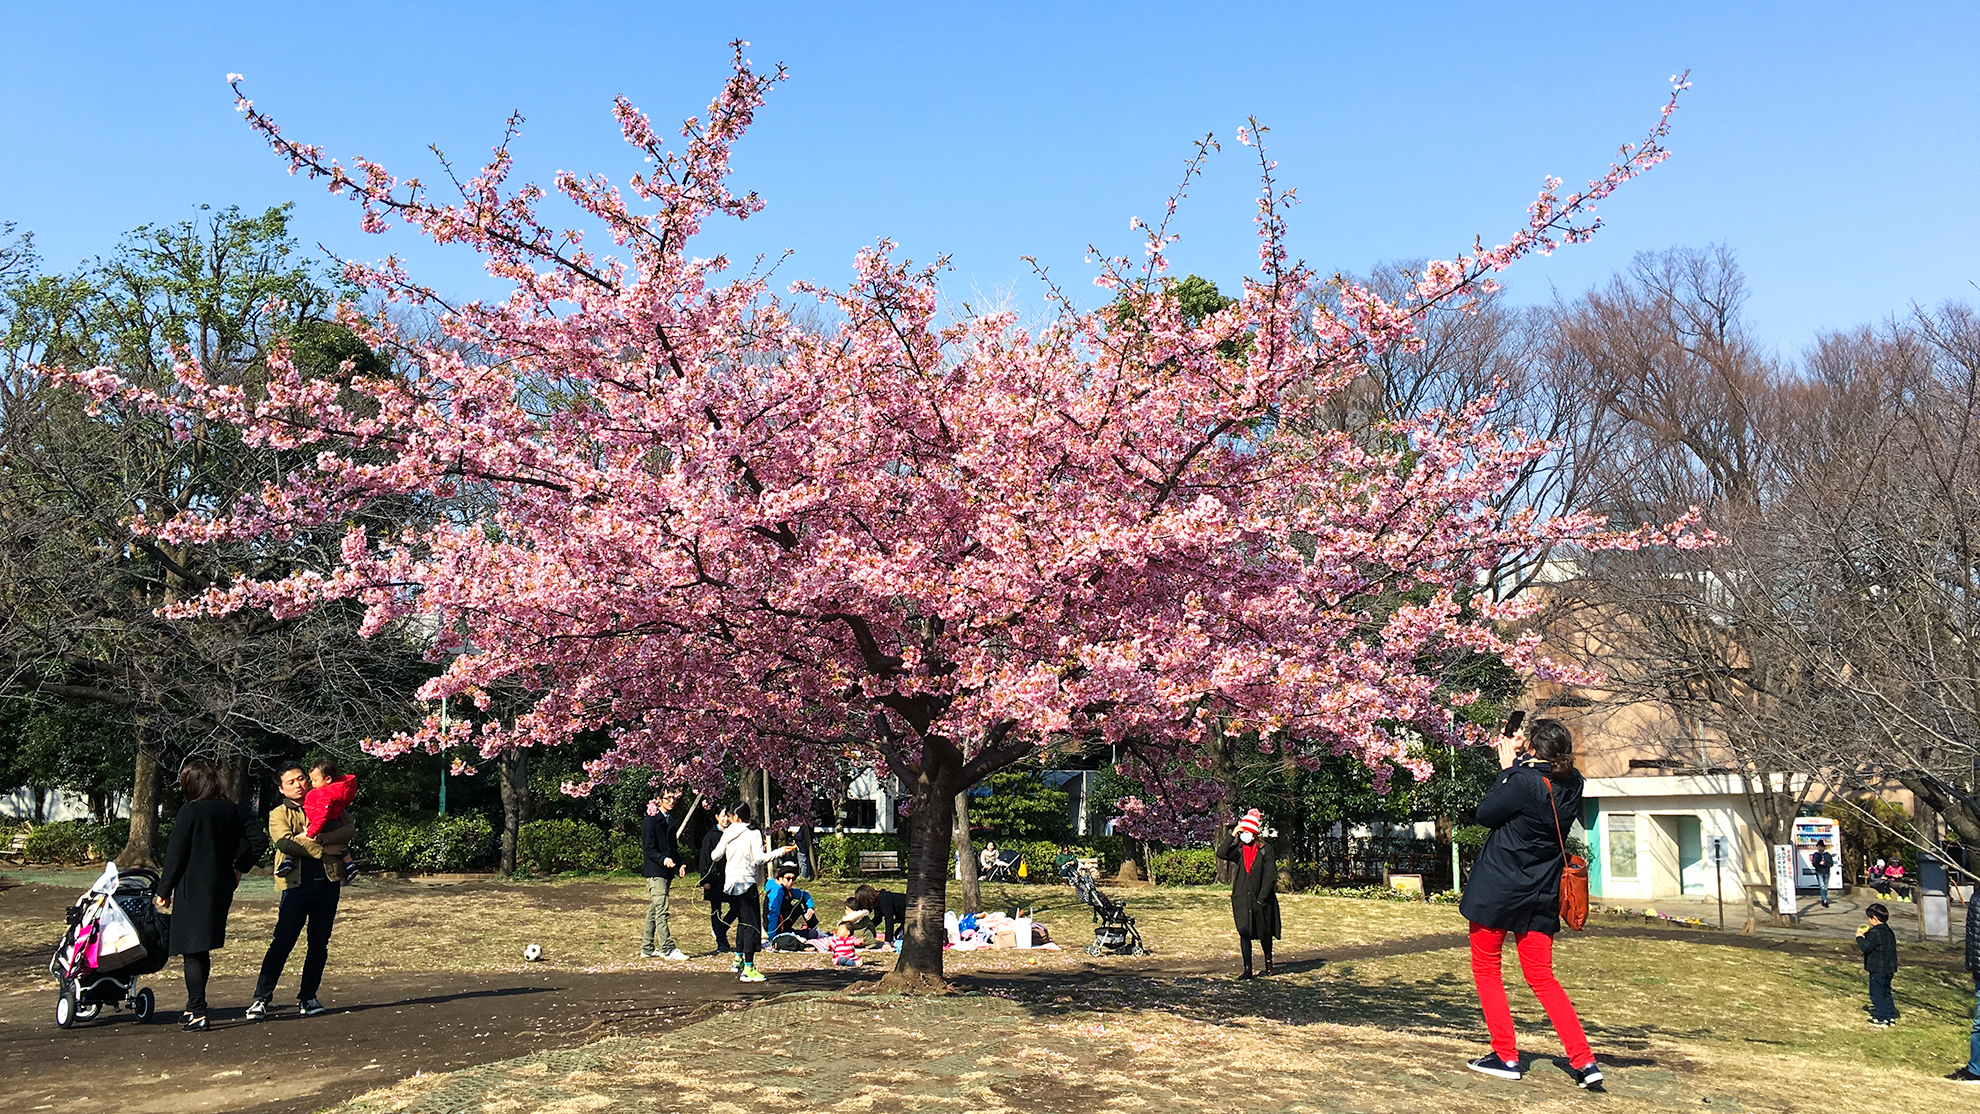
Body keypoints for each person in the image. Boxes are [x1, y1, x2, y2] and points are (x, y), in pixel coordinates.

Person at [1458, 718, 1603, 1091]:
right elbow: (1543, 781)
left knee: (1487, 968)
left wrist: (1507, 769)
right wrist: (1523, 759)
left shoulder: (1521, 781)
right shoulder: (1574, 783)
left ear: (1535, 751)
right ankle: (1584, 1061)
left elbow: (1486, 813)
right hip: (1540, 891)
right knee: (1542, 977)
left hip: (1498, 888)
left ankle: (1505, 1054)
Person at [156, 758, 266, 1032]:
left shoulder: (190, 812)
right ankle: (193, 1006)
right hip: (221, 885)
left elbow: (176, 855)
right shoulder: (233, 810)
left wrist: (163, 890)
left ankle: (198, 1012)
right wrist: (239, 867)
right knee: (200, 946)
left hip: (192, 887)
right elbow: (259, 841)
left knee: (192, 949)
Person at [249, 762, 355, 1020]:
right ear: (282, 789)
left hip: (327, 882)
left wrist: (318, 840)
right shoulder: (278, 813)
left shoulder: (328, 802)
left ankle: (308, 996)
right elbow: (285, 842)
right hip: (295, 885)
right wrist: (324, 850)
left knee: (319, 943)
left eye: (301, 779)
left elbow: (349, 828)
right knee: (283, 941)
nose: (299, 785)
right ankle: (261, 998)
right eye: (291, 782)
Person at [710, 802, 795, 981]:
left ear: (736, 817)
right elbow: (759, 859)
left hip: (730, 885)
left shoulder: (728, 833)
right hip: (746, 884)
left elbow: (715, 856)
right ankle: (748, 968)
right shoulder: (753, 833)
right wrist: (780, 852)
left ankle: (738, 959)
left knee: (742, 922)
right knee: (750, 925)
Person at [1215, 808, 1280, 979]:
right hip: (1242, 897)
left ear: (1254, 833)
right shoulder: (1239, 850)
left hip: (1261, 898)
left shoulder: (1266, 850)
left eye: (1246, 831)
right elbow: (1221, 853)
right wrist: (1234, 833)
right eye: (1242, 832)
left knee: (1264, 933)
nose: (1244, 834)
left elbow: (1270, 875)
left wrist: (1262, 898)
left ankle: (1268, 963)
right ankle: (1247, 969)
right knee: (1244, 932)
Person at [641, 789, 690, 960]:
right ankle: (668, 948)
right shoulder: (651, 821)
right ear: (658, 800)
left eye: (673, 798)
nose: (671, 801)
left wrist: (680, 862)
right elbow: (649, 849)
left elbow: (672, 847)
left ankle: (647, 947)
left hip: (667, 871)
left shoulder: (671, 821)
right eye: (667, 798)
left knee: (655, 909)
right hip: (655, 871)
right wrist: (664, 860)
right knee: (662, 909)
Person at [1946, 880, 1980, 1082]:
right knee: (1978, 1024)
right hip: (1979, 969)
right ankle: (1975, 1069)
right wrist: (1971, 964)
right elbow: (1971, 935)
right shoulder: (1976, 899)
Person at [698, 806, 735, 956]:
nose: (725, 819)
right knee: (716, 910)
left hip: (730, 877)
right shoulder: (711, 836)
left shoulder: (734, 834)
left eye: (728, 816)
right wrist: (705, 879)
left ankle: (720, 930)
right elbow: (705, 858)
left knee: (736, 907)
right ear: (717, 817)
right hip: (714, 879)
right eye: (723, 816)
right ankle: (721, 941)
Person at [1856, 902, 1899, 1026]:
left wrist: (1859, 937)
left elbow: (1866, 947)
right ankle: (1890, 1015)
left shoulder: (1875, 933)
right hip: (1889, 968)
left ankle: (1881, 1017)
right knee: (1886, 991)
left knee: (1877, 993)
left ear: (1874, 918)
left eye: (1869, 918)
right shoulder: (1889, 932)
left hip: (1877, 968)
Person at [766, 863, 820, 944]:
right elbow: (773, 914)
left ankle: (813, 927)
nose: (791, 882)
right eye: (788, 878)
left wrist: (810, 907)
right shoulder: (776, 892)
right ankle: (812, 931)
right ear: (780, 879)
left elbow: (804, 894)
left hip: (786, 921)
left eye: (793, 879)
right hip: (777, 928)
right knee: (813, 934)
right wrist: (772, 937)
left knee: (802, 901)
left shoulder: (786, 890)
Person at [1811, 841, 1835, 908]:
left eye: (1820, 847)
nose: (1819, 848)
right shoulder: (1816, 855)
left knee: (1825, 886)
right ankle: (1824, 899)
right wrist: (1819, 864)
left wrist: (1825, 864)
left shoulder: (1827, 855)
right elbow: (1814, 863)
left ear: (1823, 847)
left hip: (1826, 872)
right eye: (1818, 847)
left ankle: (1824, 898)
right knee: (1822, 886)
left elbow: (1831, 864)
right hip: (1819, 872)